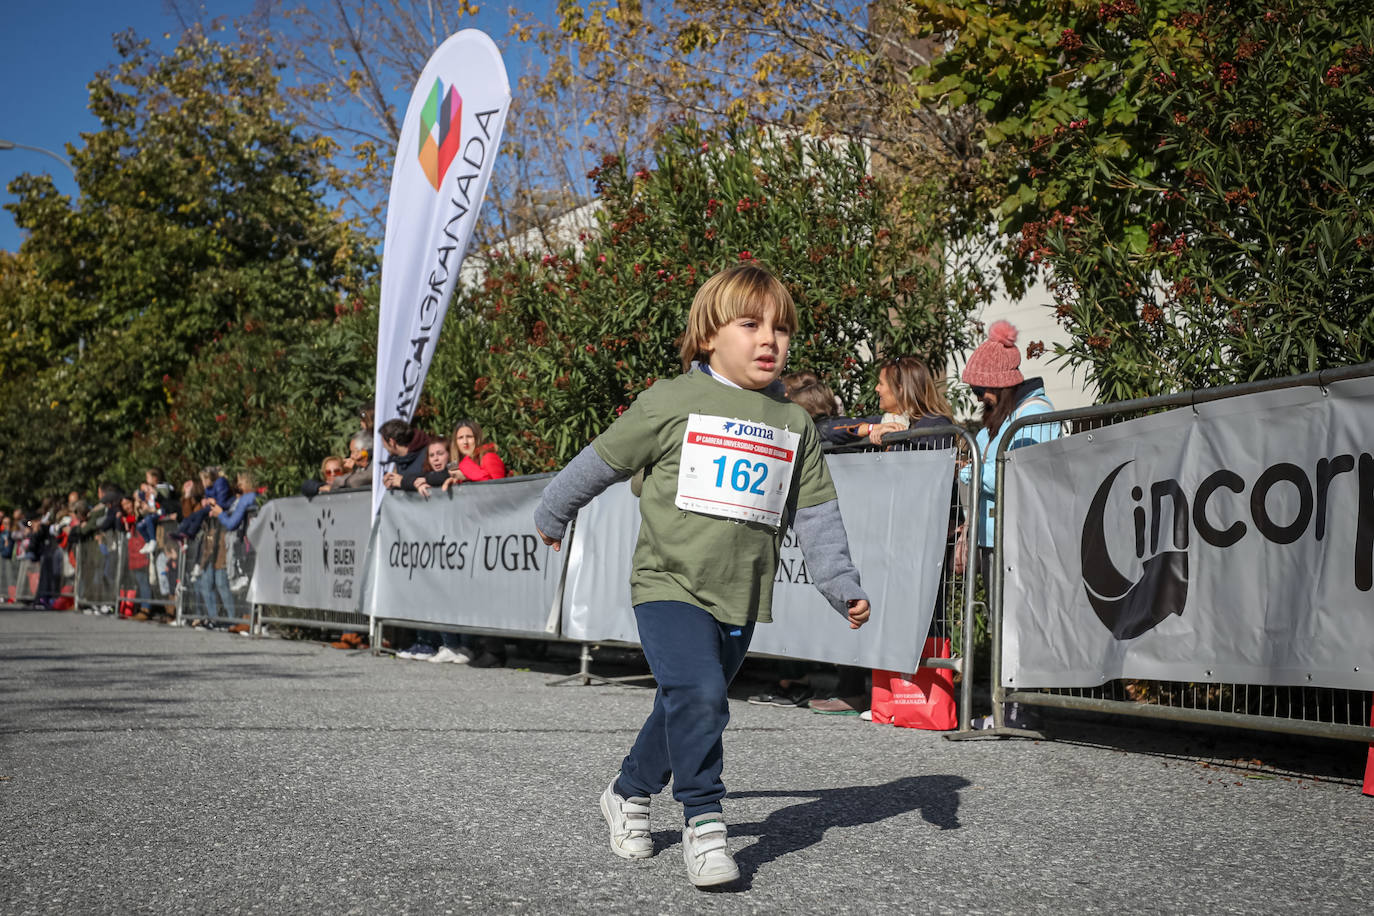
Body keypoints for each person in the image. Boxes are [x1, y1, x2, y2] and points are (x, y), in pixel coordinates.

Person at [533, 262, 871, 888]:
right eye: (750, 324)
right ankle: (705, 821)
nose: (770, 339)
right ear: (709, 335)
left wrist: (841, 584)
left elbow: (817, 513)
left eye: (781, 329)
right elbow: (602, 459)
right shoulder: (671, 400)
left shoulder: (794, 423)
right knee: (703, 698)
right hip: (668, 585)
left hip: (740, 598)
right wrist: (555, 508)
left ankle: (628, 791)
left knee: (685, 704)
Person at [958, 320, 1059, 730]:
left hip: (1016, 538)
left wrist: (971, 472)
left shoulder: (1034, 416)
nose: (981, 396)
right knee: (1002, 624)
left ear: (1007, 386)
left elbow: (1019, 474)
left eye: (987, 388)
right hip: (992, 536)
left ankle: (1023, 706)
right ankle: (1006, 705)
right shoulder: (1001, 418)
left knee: (1016, 624)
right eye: (977, 388)